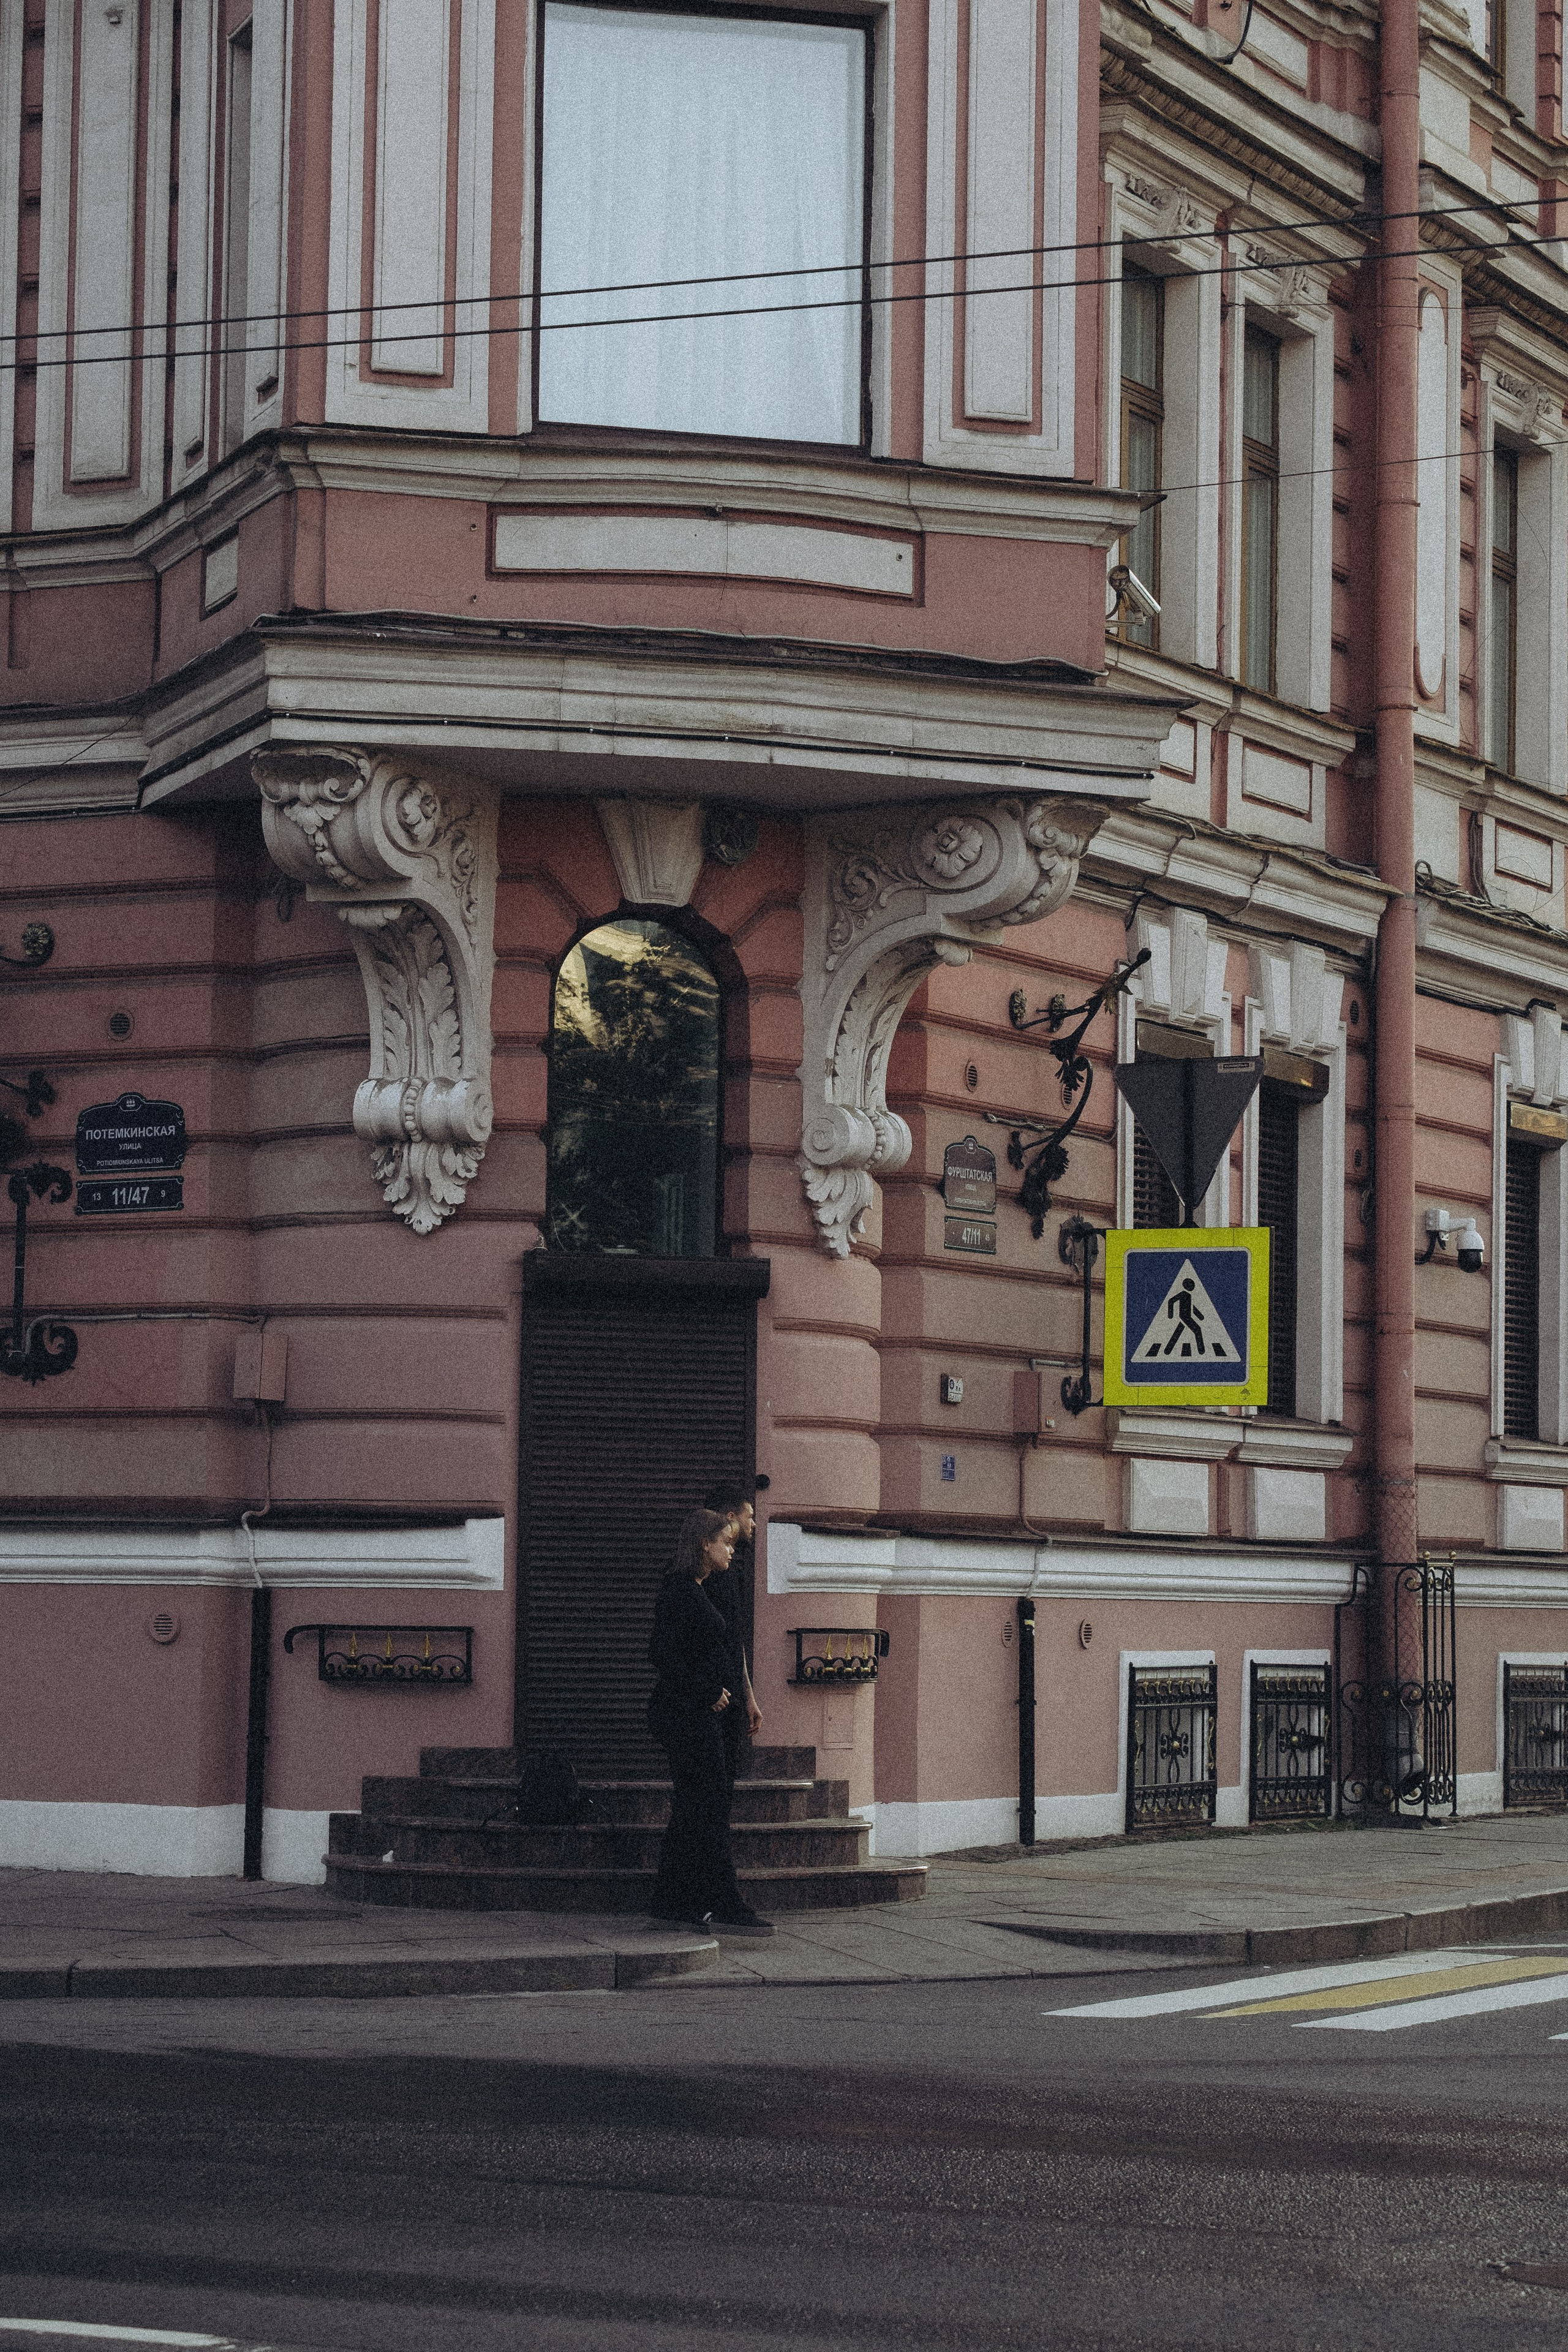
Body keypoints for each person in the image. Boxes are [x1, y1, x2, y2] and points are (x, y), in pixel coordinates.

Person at [646, 1508, 775, 1937]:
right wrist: (706, 1690)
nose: (732, 1552)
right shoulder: (679, 1590)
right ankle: (724, 1902)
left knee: (694, 1809)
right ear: (705, 1543)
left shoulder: (699, 1589)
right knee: (711, 1809)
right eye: (727, 1543)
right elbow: (661, 1654)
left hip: (698, 1717)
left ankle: (672, 1901)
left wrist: (734, 1692)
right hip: (685, 1717)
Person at [702, 1481, 764, 1800]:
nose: (754, 1524)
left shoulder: (729, 1574)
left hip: (729, 1697)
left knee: (723, 1792)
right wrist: (710, 1690)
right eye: (749, 1516)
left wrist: (749, 1696)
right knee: (709, 1796)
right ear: (730, 1517)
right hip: (712, 1700)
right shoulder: (702, 1580)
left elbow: (733, 1641)